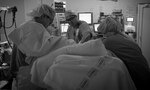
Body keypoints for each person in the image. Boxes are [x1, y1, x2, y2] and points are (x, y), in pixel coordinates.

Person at [8, 4, 75, 90]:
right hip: (27, 75)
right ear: (43, 16)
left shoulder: (27, 26)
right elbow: (46, 47)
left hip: (20, 73)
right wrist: (69, 43)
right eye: (50, 21)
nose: (50, 24)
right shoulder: (34, 27)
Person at [97, 16, 150, 90]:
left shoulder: (109, 41)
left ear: (106, 30)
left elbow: (95, 50)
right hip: (145, 72)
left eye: (103, 33)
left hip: (138, 78)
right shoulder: (125, 37)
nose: (103, 35)